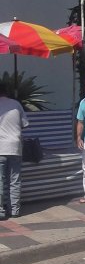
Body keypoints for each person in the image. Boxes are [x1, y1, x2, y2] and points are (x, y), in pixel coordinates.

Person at [0, 82, 29, 220]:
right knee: (14, 180)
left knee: (0, 180)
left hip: (0, 148)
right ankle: (15, 210)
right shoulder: (16, 104)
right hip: (15, 147)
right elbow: (25, 124)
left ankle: (0, 211)